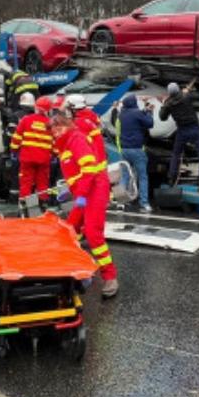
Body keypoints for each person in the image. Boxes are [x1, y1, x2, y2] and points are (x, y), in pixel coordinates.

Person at [51, 113, 118, 298]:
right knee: (71, 229)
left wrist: (80, 196)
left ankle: (110, 277)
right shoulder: (64, 145)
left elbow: (89, 170)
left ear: (67, 124)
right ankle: (76, 270)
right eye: (53, 130)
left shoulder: (76, 139)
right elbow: (76, 173)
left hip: (95, 189)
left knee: (93, 233)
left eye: (59, 127)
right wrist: (70, 189)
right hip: (84, 191)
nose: (56, 132)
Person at [111, 94, 154, 212]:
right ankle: (144, 204)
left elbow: (115, 121)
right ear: (134, 103)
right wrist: (149, 112)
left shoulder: (121, 115)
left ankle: (121, 202)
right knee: (142, 177)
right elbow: (150, 123)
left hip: (124, 150)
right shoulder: (137, 113)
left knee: (125, 176)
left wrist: (114, 108)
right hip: (137, 150)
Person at [159, 82, 199, 188]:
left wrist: (164, 104)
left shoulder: (169, 103)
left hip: (182, 131)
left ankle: (171, 178)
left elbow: (162, 117)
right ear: (178, 90)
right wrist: (188, 91)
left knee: (176, 154)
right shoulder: (186, 96)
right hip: (194, 128)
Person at [11, 94, 54, 206]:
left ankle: (25, 205)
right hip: (44, 159)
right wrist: (54, 154)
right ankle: (43, 204)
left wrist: (14, 150)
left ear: (36, 107)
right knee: (43, 182)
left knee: (26, 182)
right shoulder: (50, 123)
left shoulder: (26, 120)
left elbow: (17, 138)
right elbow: (55, 142)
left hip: (27, 158)